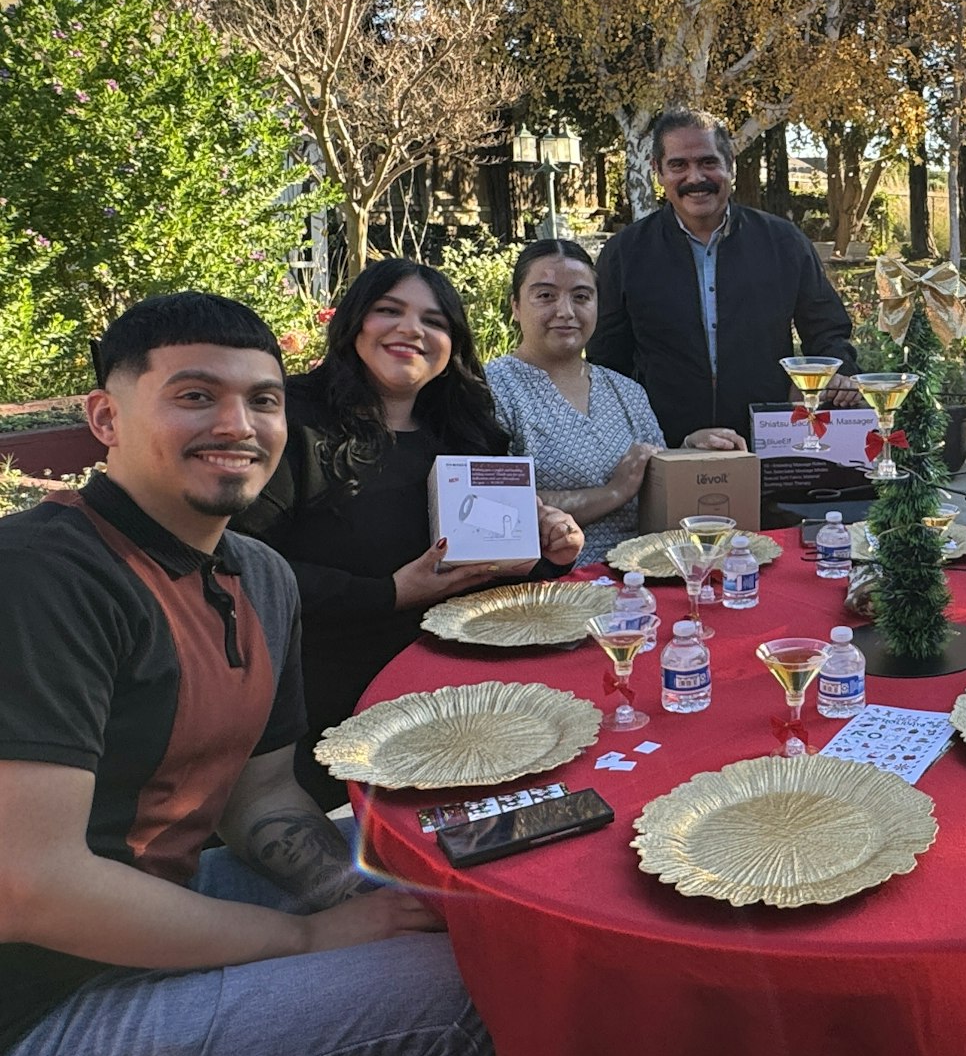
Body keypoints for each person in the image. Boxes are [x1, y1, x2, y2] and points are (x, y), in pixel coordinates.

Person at [0, 293, 496, 1056]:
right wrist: (307, 941)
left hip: (140, 922)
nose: (238, 426)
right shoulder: (42, 574)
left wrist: (355, 899)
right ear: (106, 417)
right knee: (450, 1006)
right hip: (29, 1018)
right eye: (195, 396)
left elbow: (263, 801)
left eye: (263, 401)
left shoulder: (258, 578)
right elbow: (33, 885)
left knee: (457, 914)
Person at [235, 259, 583, 806]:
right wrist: (390, 593)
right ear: (354, 324)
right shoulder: (290, 422)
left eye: (434, 320)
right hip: (330, 695)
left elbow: (493, 569)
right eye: (388, 311)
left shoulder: (468, 430)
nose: (412, 330)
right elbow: (244, 568)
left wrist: (549, 550)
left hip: (461, 690)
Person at [588, 108, 858, 445]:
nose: (695, 177)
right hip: (666, 447)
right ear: (657, 171)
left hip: (767, 441)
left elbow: (827, 329)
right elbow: (607, 361)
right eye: (678, 165)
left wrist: (840, 374)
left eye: (707, 162)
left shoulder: (783, 243)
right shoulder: (625, 253)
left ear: (730, 163)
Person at [488, 239, 732, 565]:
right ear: (516, 307)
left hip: (641, 580)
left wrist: (689, 451)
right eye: (545, 295)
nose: (566, 311)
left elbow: (651, 480)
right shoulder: (492, 390)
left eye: (581, 297)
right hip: (550, 592)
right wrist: (612, 493)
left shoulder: (624, 391)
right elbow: (491, 509)